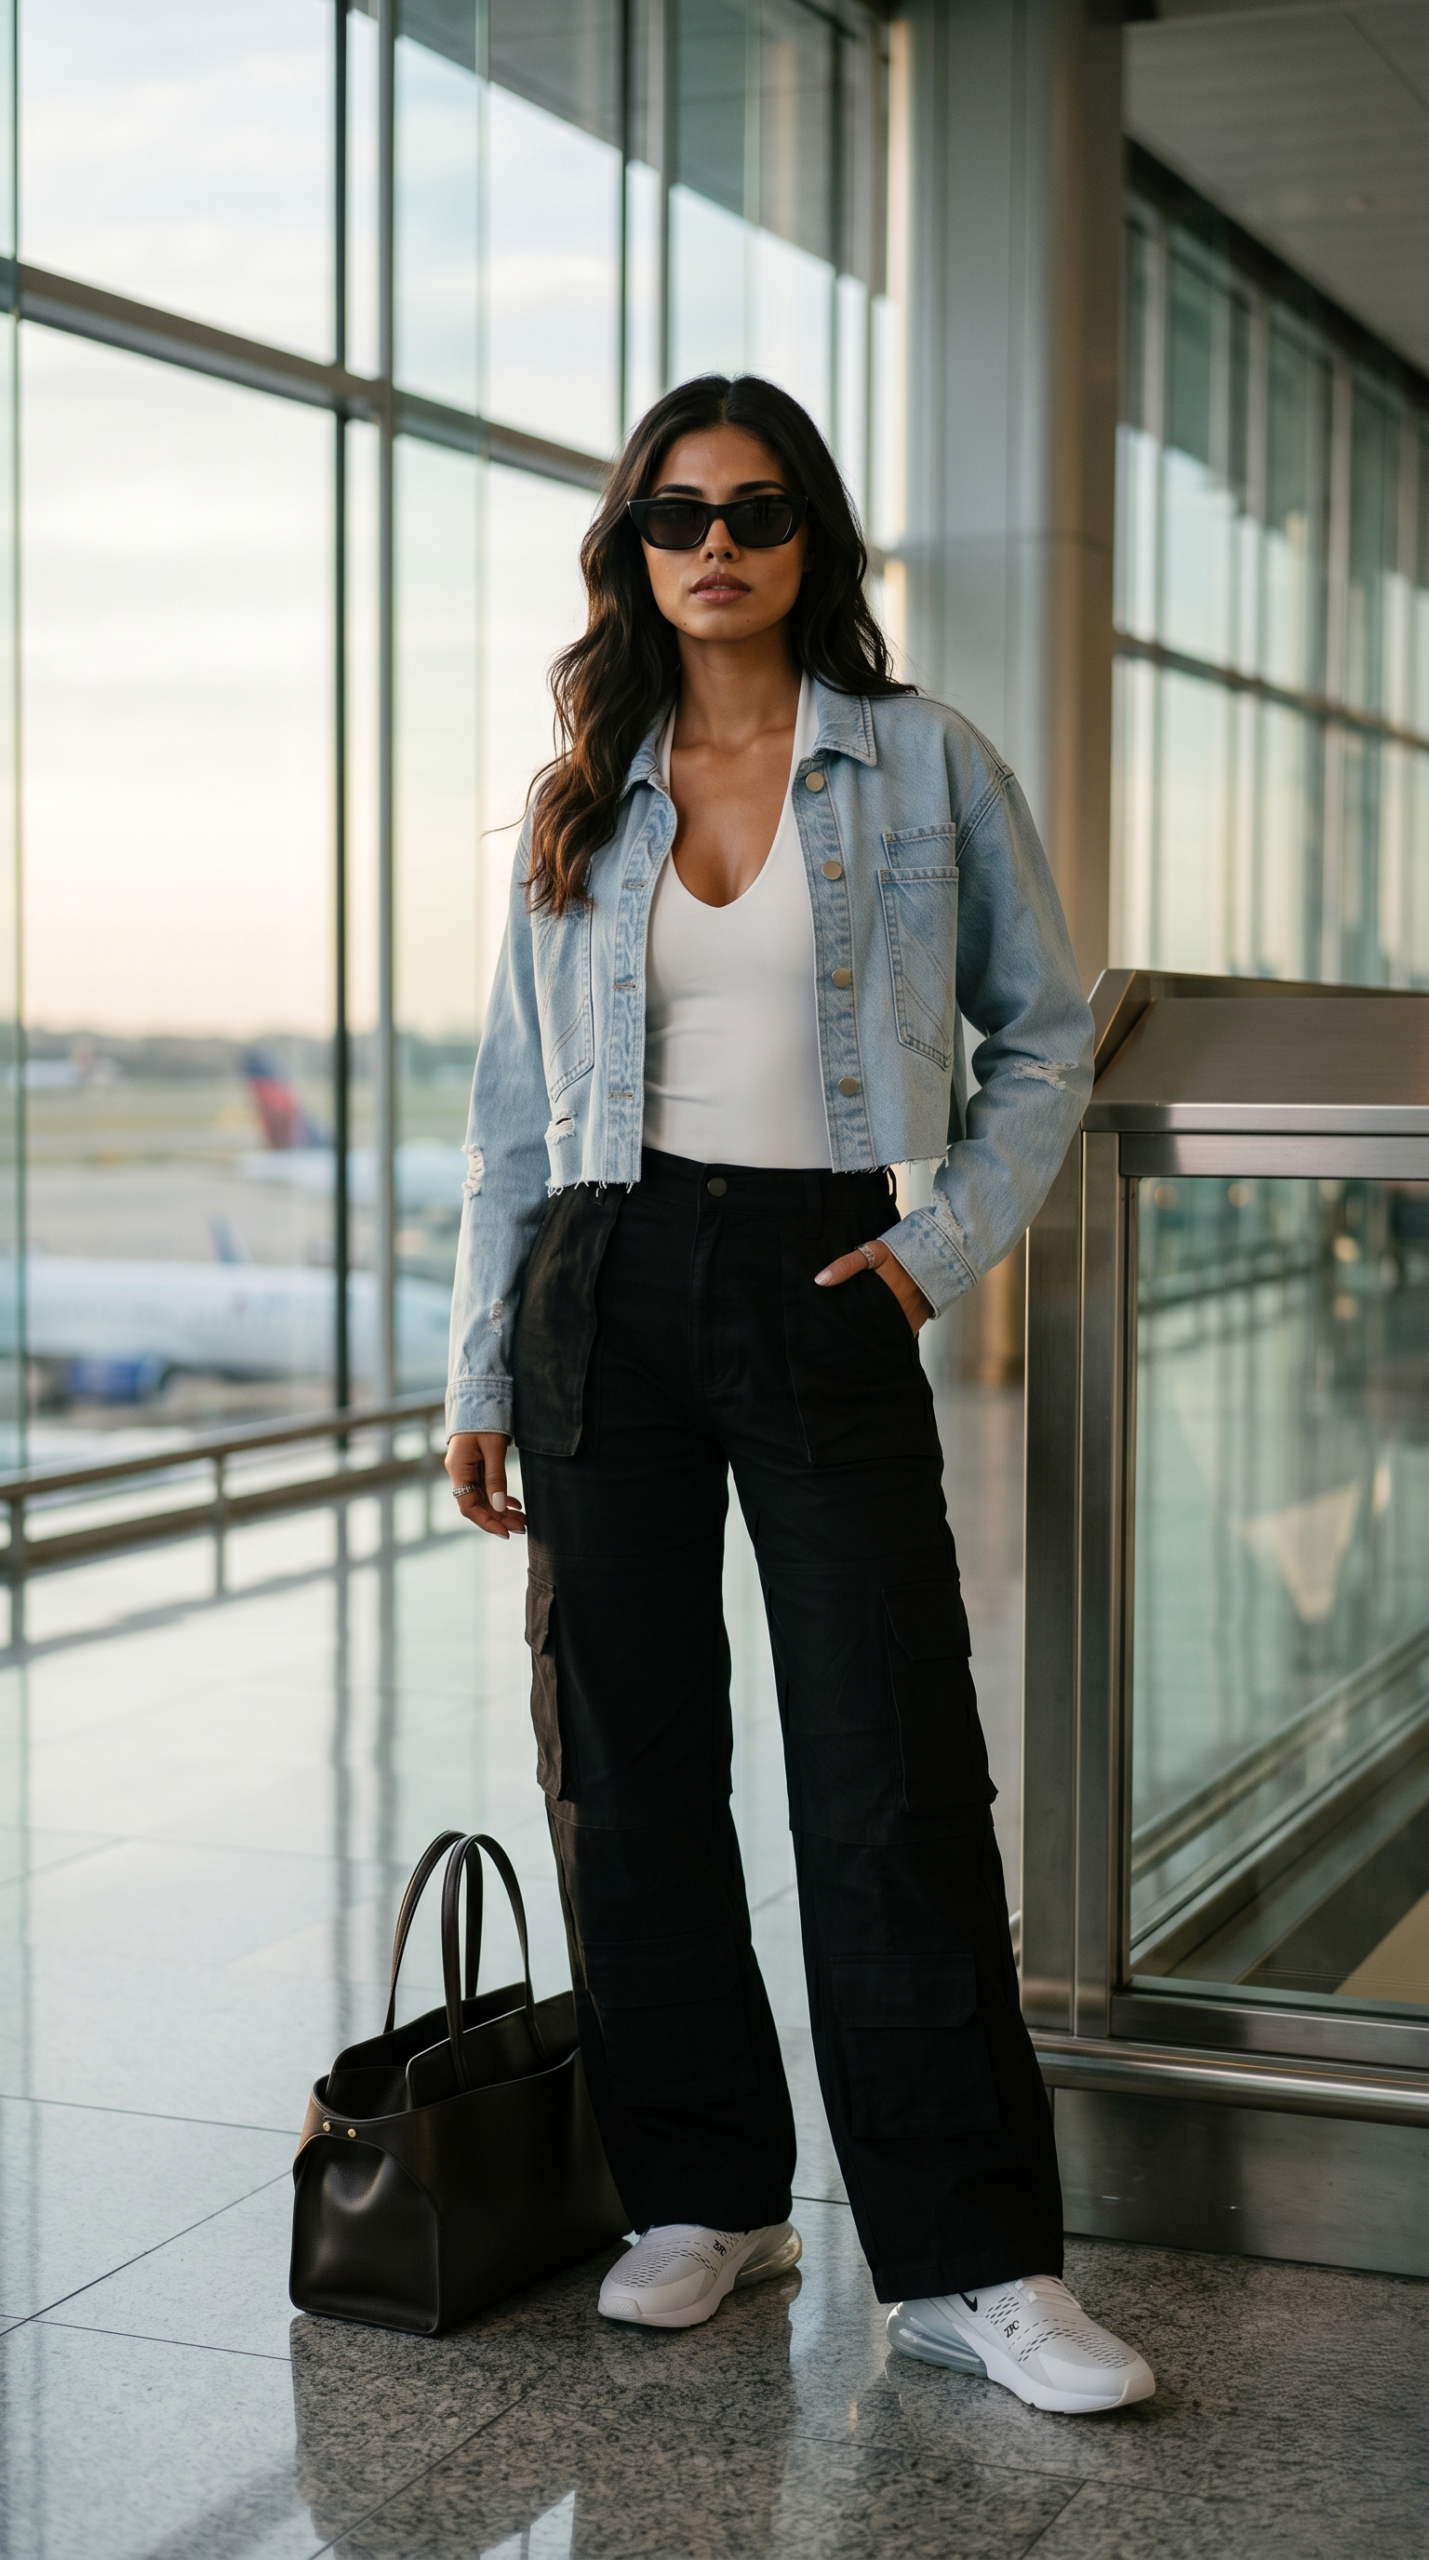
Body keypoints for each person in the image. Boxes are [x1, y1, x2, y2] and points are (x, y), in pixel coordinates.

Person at [444, 374, 1154, 2416]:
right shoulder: (584, 788)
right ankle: (706, 2190)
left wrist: (932, 1249)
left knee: (889, 1765)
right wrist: (485, 1356)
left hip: (829, 1268)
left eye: (755, 509)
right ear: (635, 549)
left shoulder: (923, 766)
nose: (716, 543)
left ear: (811, 536)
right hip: (605, 1274)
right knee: (630, 1752)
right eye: (676, 513)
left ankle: (968, 2259)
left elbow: (1045, 1038)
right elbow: (513, 1108)